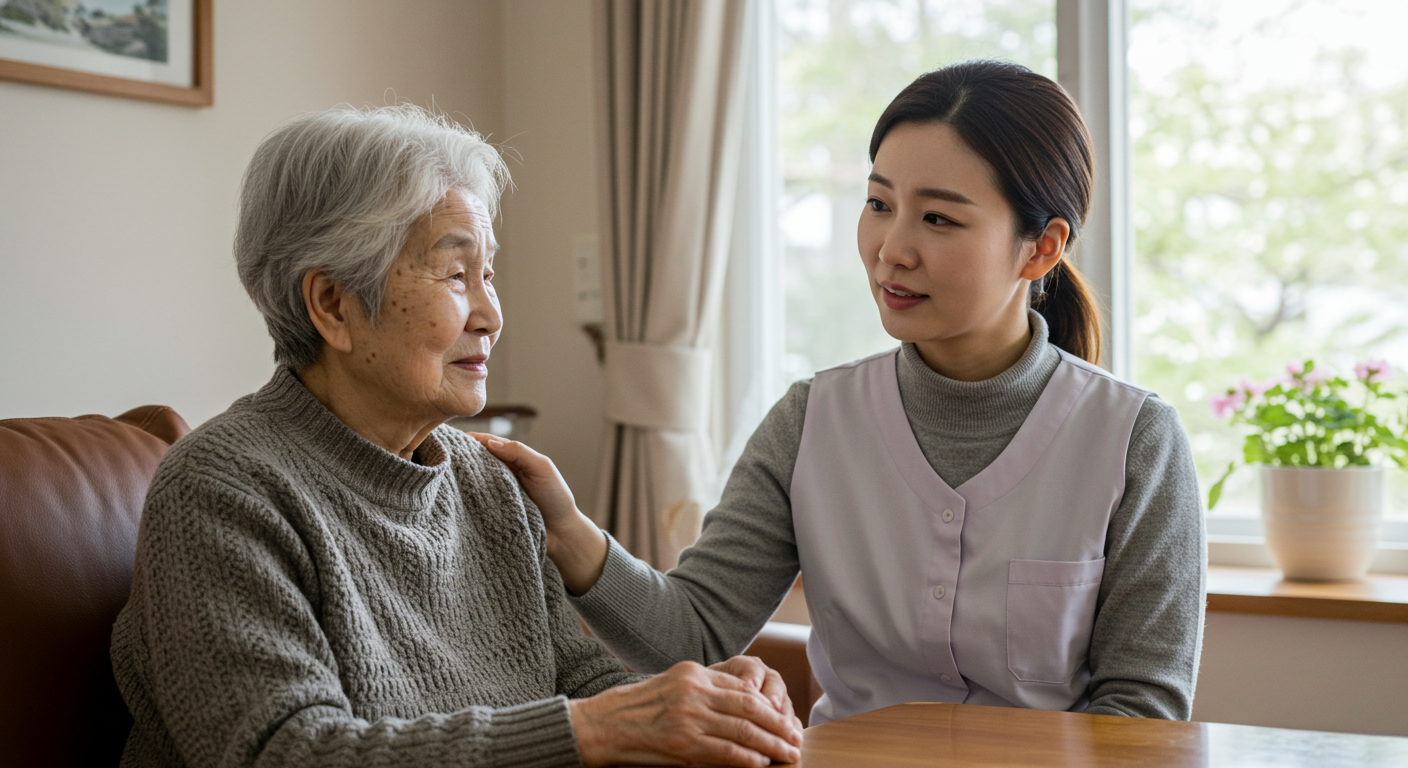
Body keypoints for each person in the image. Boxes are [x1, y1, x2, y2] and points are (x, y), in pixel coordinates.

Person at [480, 60, 1206, 726]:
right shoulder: (811, 421)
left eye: (939, 218)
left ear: (1042, 247)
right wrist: (569, 531)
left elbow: (1140, 717)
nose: (892, 247)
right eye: (878, 204)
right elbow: (693, 632)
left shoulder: (1135, 441)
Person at [109, 104, 803, 768]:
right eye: (454, 274)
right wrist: (601, 727)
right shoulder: (223, 489)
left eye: (488, 274)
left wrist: (704, 706)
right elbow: (281, 752)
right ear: (332, 304)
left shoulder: (489, 483)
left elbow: (581, 683)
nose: (491, 315)